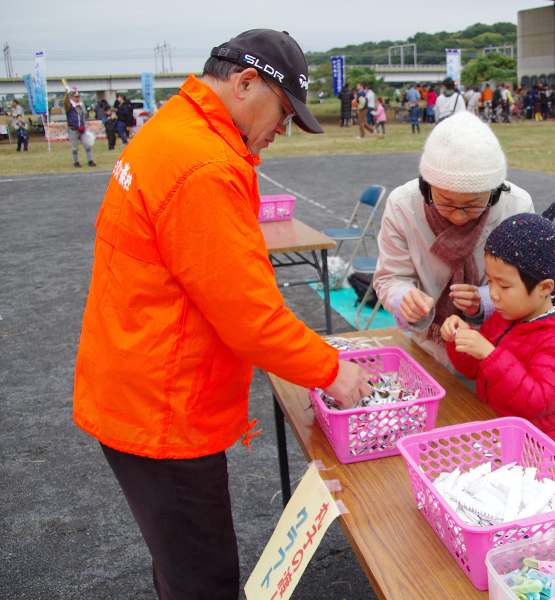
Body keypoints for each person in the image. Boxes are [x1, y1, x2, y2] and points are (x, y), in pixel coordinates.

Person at [73, 29, 372, 600]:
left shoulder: (175, 127)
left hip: (135, 378)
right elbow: (252, 318)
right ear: (244, 84)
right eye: (283, 113)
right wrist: (334, 369)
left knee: (180, 564)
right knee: (203, 579)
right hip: (163, 409)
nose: (280, 132)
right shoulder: (204, 164)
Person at [373, 111, 534, 371]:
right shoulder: (403, 205)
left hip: (498, 349)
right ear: (426, 187)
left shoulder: (517, 206)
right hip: (429, 346)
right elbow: (389, 277)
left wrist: (486, 299)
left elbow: (531, 283)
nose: (459, 215)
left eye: (473, 204)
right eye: (445, 202)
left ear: (494, 193)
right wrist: (405, 299)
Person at [441, 203, 555, 447]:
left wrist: (489, 354)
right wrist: (461, 338)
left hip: (531, 448)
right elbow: (473, 370)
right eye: (489, 281)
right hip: (494, 431)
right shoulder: (508, 313)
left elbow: (538, 402)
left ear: (544, 288)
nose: (493, 295)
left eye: (505, 286)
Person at [64, 86, 96, 167]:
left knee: (87, 144)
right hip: (73, 129)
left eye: (78, 97)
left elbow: (82, 116)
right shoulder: (69, 107)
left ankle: (90, 160)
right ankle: (76, 162)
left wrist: (83, 124)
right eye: (75, 97)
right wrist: (67, 94)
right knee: (74, 147)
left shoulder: (80, 106)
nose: (77, 98)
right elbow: (65, 103)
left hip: (81, 128)